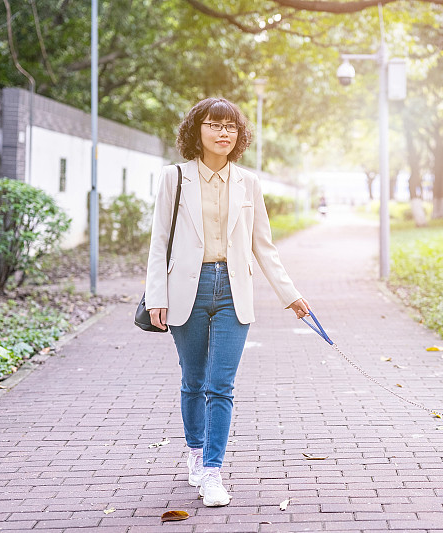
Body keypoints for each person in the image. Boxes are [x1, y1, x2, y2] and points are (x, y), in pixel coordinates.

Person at [144, 97, 310, 507]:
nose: (223, 133)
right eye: (214, 125)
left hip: (234, 291)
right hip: (188, 289)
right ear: (196, 130)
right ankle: (196, 454)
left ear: (239, 135)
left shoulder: (248, 183)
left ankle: (213, 473)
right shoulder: (175, 178)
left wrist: (290, 295)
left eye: (231, 127)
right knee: (193, 381)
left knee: (222, 385)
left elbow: (263, 246)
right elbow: (159, 242)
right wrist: (156, 297)